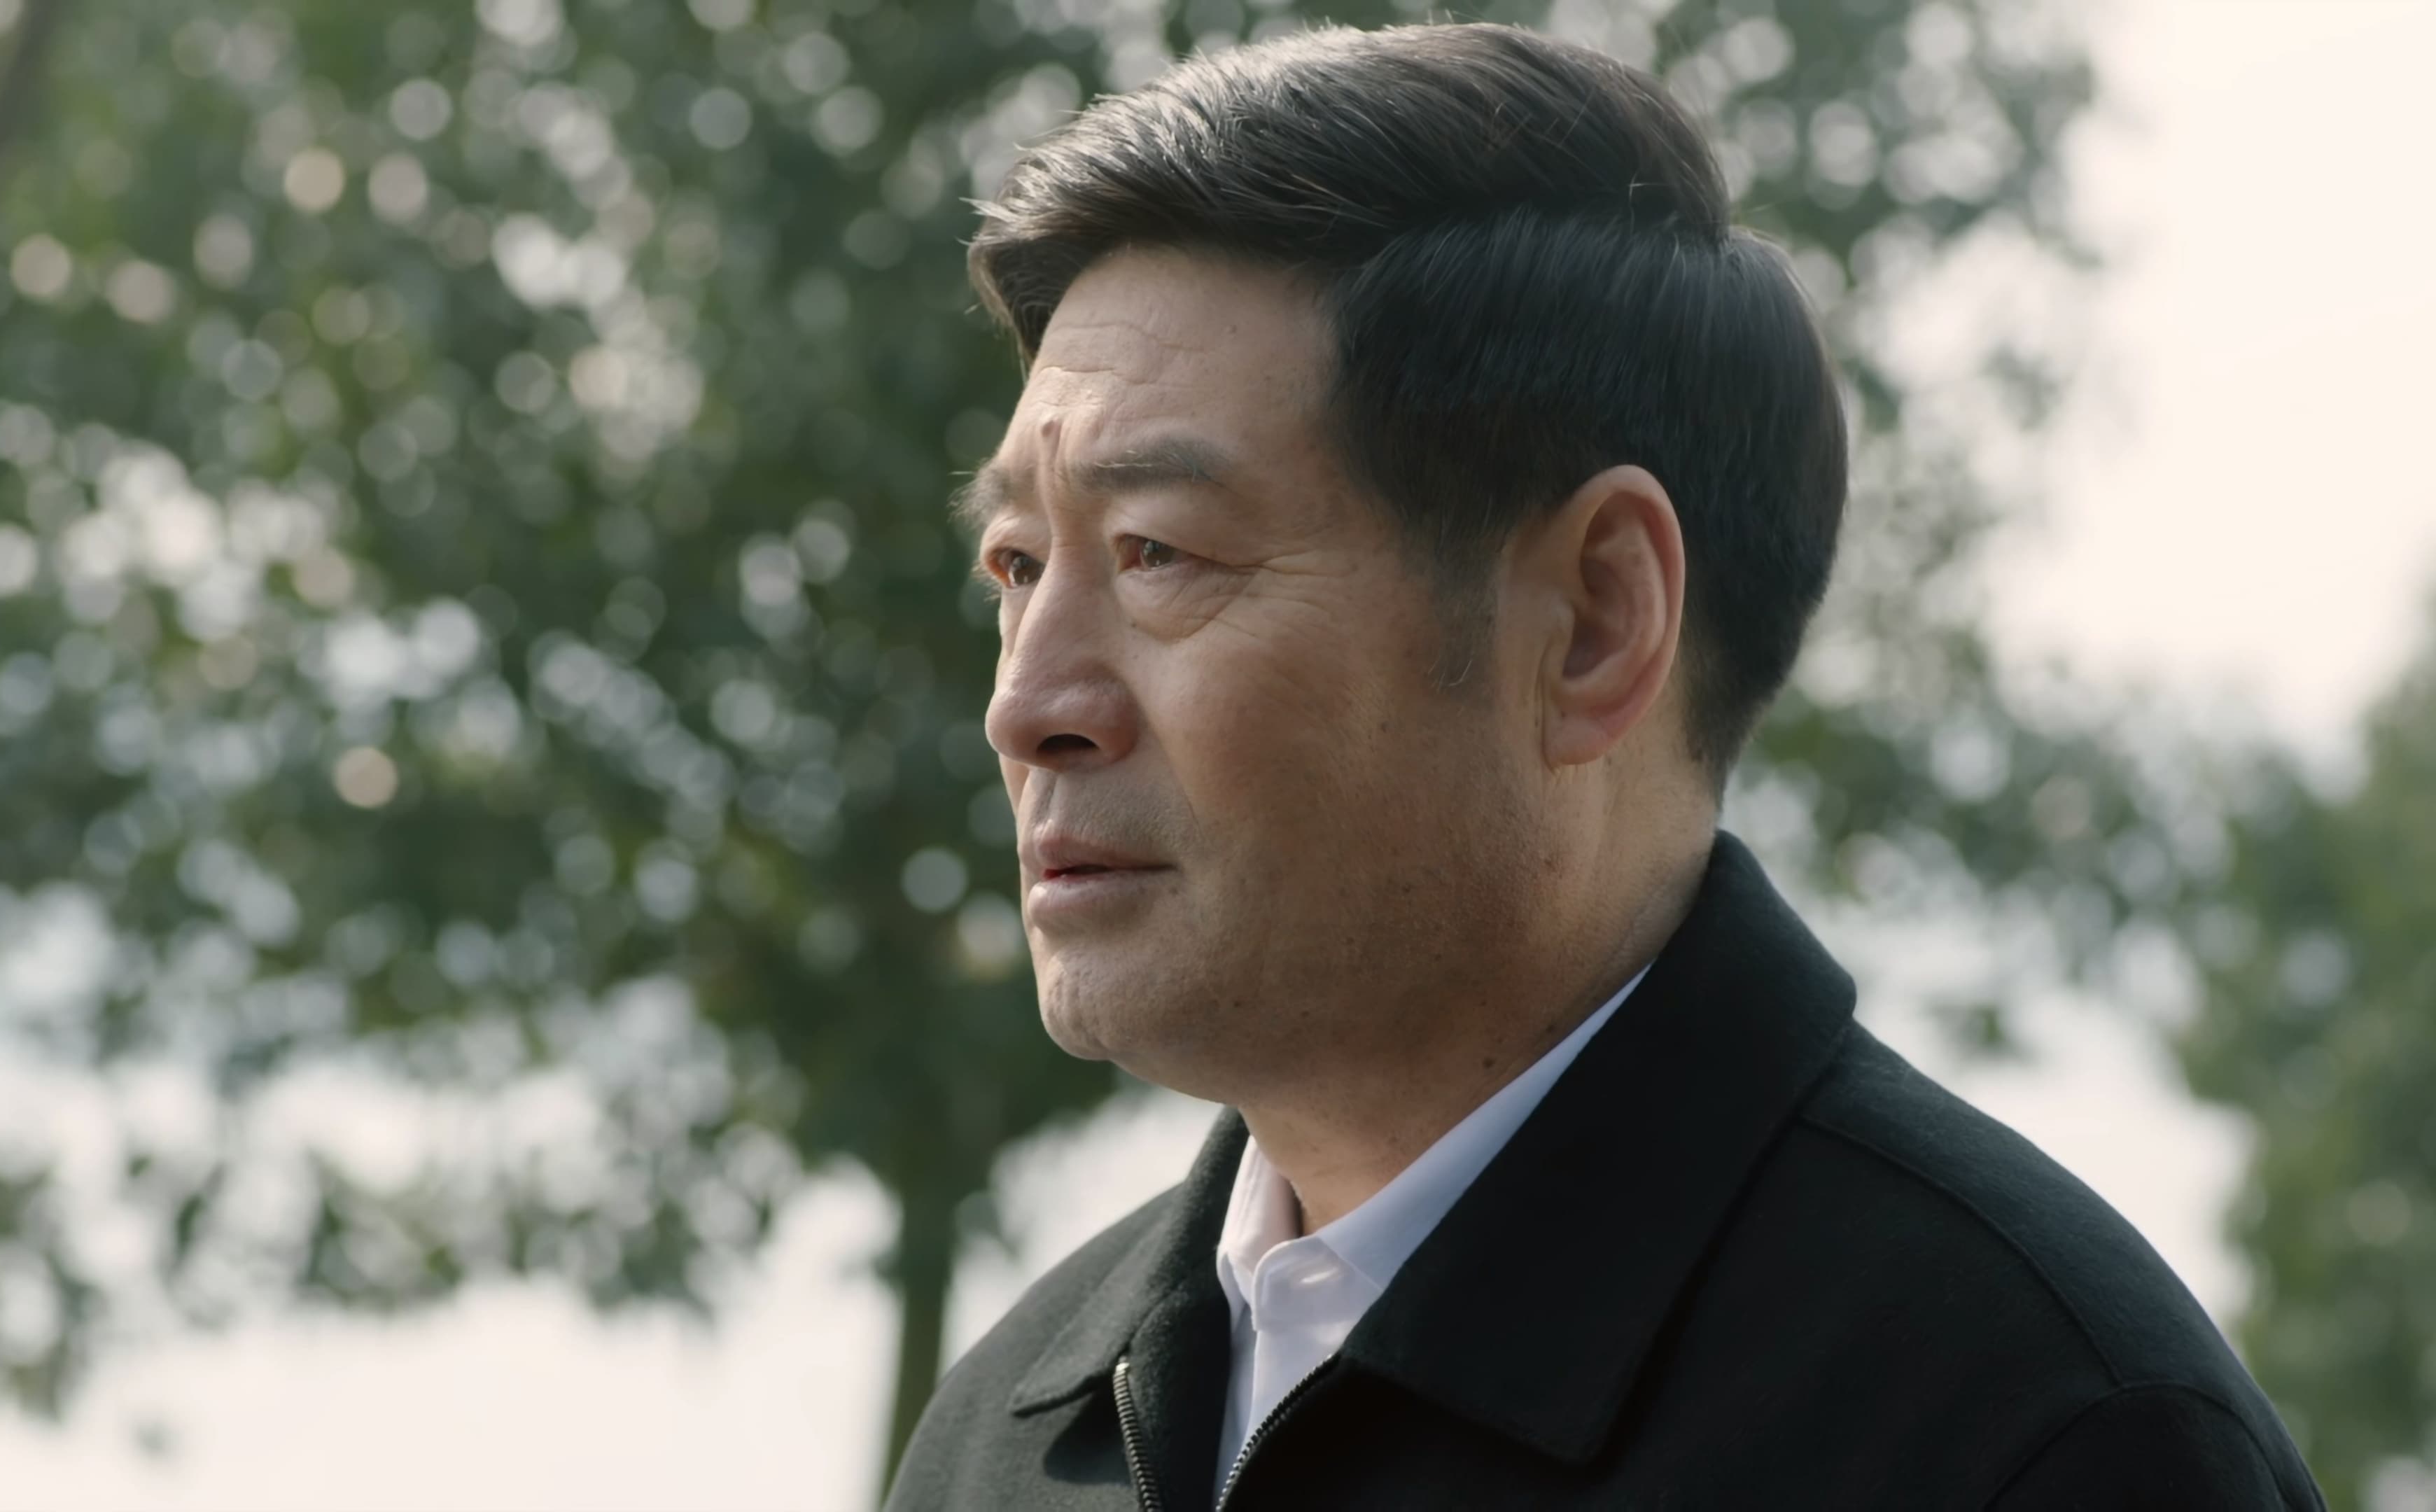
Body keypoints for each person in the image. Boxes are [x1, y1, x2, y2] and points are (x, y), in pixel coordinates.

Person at [885, 22, 2320, 1511]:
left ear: (1592, 623)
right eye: (1017, 566)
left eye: (1157, 553)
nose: (1027, 705)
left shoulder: (2034, 1438)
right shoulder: (1008, 1440)